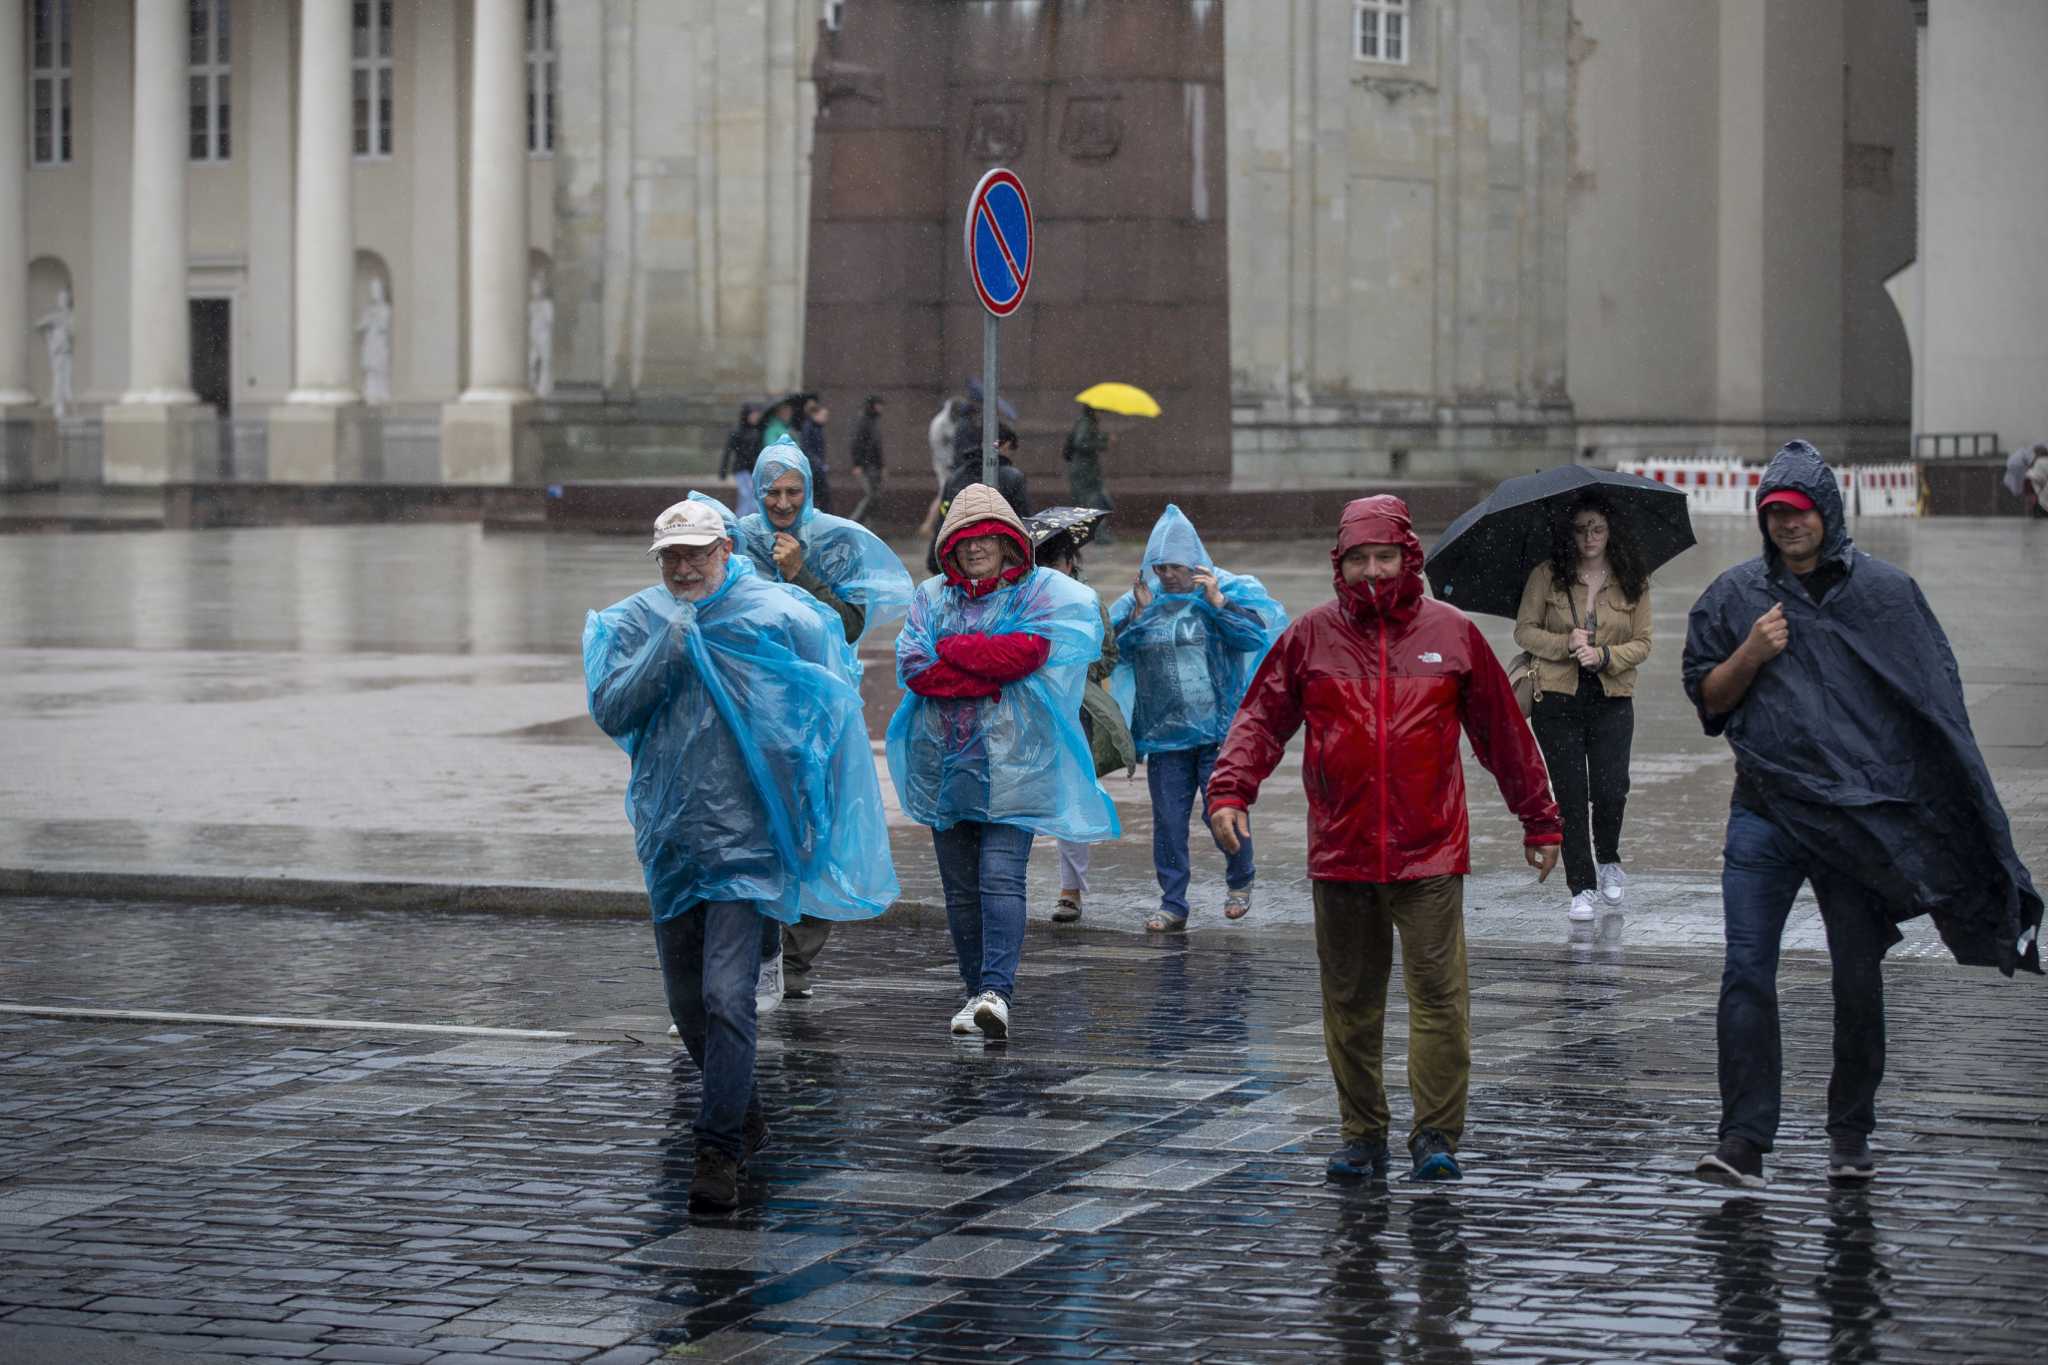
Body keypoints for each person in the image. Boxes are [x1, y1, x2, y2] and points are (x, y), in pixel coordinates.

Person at [1682, 439, 2042, 1190]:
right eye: (1774, 513)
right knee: (1747, 969)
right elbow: (1711, 700)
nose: (1787, 525)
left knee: (1855, 977)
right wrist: (1751, 652)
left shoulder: (1886, 594)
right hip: (1765, 814)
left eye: (1800, 511)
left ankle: (1850, 1128)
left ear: (1828, 512)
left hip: (1855, 827)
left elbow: (1934, 712)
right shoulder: (1734, 597)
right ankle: (1744, 1138)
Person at [1206, 495, 1562, 1184]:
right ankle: (1362, 1133)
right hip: (1341, 852)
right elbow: (1259, 717)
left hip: (1429, 850)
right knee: (1350, 1003)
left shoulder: (1453, 635)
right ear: (1340, 564)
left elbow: (1503, 735)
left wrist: (1539, 817)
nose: (1373, 571)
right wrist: (1229, 789)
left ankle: (1435, 1134)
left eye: (1384, 557)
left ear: (1408, 558)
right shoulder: (1309, 636)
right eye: (1359, 559)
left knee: (1438, 1001)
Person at [583, 497, 896, 1213]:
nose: (685, 566)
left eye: (697, 551)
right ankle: (742, 1108)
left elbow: (826, 715)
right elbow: (611, 707)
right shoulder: (637, 621)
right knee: (687, 1004)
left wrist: (810, 816)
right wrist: (670, 648)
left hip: (752, 839)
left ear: (726, 547)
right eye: (671, 556)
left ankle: (717, 1147)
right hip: (672, 838)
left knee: (728, 996)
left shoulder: (781, 615)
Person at [887, 484, 1120, 1041]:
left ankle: (997, 989)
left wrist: (954, 650)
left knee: (999, 877)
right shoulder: (930, 597)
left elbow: (1026, 654)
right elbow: (915, 668)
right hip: (946, 765)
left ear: (1008, 542)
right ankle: (976, 994)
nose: (974, 550)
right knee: (960, 888)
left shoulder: (1040, 593)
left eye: (985, 539)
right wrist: (982, 667)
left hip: (1016, 765)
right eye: (963, 541)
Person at [734, 438, 915, 1000]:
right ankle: (760, 952)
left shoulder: (834, 540)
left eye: (793, 491)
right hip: (755, 709)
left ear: (809, 490)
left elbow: (849, 623)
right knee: (759, 829)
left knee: (819, 829)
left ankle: (798, 958)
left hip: (822, 711)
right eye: (772, 492)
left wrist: (802, 574)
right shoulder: (736, 539)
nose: (782, 503)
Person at [1108, 505, 1286, 931]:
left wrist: (1218, 604)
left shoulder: (1218, 598)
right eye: (1161, 566)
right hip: (1165, 739)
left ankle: (1240, 878)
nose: (1169, 574)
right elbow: (1115, 654)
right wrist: (1137, 618)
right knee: (1169, 823)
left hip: (1218, 735)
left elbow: (1253, 638)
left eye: (1178, 566)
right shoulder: (1142, 605)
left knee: (1220, 811)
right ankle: (1173, 902)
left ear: (1196, 564)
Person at [1513, 491, 1654, 922]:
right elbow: (1524, 632)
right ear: (1569, 533)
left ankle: (1609, 858)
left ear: (1611, 531)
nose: (1590, 536)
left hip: (1612, 696)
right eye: (1581, 529)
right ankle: (1582, 884)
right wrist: (1564, 644)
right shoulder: (1546, 575)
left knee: (1612, 788)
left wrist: (1605, 656)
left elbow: (1644, 642)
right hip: (1556, 696)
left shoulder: (1633, 578)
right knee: (1571, 795)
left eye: (1597, 528)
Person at [1027, 509, 1134, 923]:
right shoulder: (1023, 599)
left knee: (1072, 796)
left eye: (1056, 560)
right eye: (1041, 561)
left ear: (1071, 562)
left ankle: (1070, 892)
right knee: (1021, 796)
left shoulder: (1088, 602)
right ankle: (1008, 882)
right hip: (1030, 710)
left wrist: (1073, 663)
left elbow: (1107, 659)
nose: (1050, 569)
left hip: (1075, 712)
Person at [926, 425, 1033, 574]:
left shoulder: (955, 478)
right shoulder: (1012, 477)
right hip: (999, 568)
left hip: (954, 563)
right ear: (1006, 446)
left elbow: (943, 521)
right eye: (1012, 452)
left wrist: (934, 558)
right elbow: (1024, 524)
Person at [1063, 404, 1114, 542]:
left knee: (1087, 503)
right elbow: (1081, 443)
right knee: (1093, 502)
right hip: (1084, 471)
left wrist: (1102, 439)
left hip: (1086, 470)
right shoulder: (1086, 423)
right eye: (1099, 411)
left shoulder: (1086, 422)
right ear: (1093, 411)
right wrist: (1103, 442)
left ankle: (1083, 535)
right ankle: (1097, 536)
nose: (1101, 414)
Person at [919, 397, 962, 541]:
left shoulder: (944, 421)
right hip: (945, 465)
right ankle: (930, 524)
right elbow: (940, 446)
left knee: (945, 493)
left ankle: (931, 523)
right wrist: (949, 462)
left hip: (947, 463)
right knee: (944, 493)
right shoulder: (941, 423)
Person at [719, 404, 764, 518]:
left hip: (752, 470)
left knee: (752, 498)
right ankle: (740, 522)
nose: (755, 417)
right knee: (747, 497)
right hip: (741, 469)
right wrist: (723, 471)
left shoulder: (757, 431)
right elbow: (728, 452)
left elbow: (758, 452)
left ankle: (746, 522)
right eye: (753, 414)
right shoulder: (738, 432)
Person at [849, 395, 886, 524]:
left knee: (875, 497)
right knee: (871, 496)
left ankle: (867, 524)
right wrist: (857, 464)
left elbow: (876, 446)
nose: (881, 408)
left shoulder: (872, 422)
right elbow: (856, 443)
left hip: (872, 465)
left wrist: (881, 466)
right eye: (879, 405)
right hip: (867, 465)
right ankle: (854, 522)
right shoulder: (864, 422)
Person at [799, 396, 834, 515]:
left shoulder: (814, 427)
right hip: (814, 469)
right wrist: (818, 463)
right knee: (821, 497)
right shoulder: (810, 428)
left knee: (819, 497)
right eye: (824, 415)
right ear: (815, 414)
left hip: (815, 467)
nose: (826, 419)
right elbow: (808, 449)